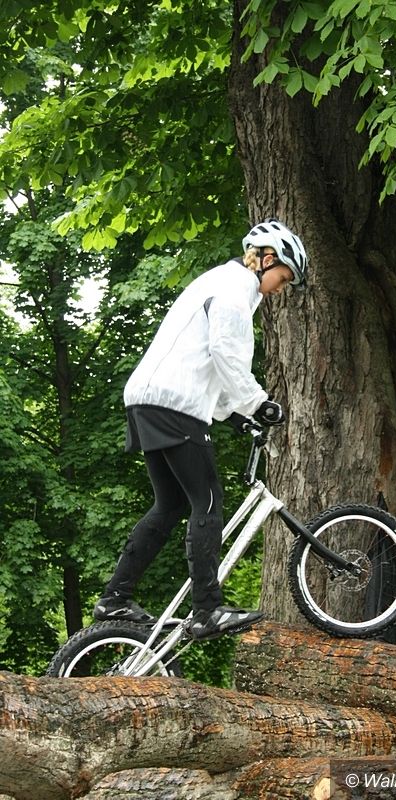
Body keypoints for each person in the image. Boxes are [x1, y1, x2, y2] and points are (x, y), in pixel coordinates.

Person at [94, 219, 308, 640]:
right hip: (175, 403)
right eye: (284, 277)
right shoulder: (235, 289)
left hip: (149, 400)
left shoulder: (221, 283)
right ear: (267, 259)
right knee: (208, 501)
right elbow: (225, 353)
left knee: (170, 504)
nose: (281, 288)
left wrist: (238, 414)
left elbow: (211, 367)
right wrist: (259, 404)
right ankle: (207, 610)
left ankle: (114, 597)